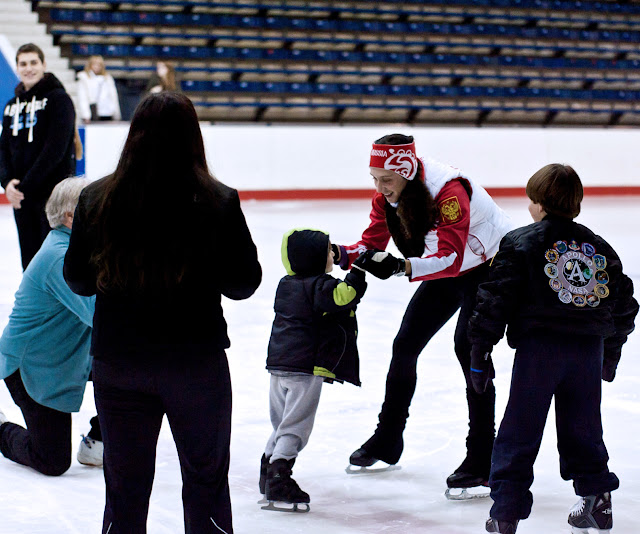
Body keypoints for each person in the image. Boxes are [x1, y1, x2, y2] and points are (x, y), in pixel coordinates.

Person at [63, 92, 262, 534]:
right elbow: (244, 283)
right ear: (193, 137)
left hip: (120, 363)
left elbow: (76, 279)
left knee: (125, 489)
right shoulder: (218, 200)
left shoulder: (96, 198)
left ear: (134, 136)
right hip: (194, 364)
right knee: (205, 481)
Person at [333, 133, 511, 498]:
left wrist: (401, 267)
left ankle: (483, 458)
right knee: (406, 343)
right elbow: (370, 245)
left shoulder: (449, 193)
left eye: (387, 180)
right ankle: (388, 438)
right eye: (375, 179)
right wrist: (340, 254)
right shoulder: (389, 193)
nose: (381, 188)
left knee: (468, 348)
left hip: (488, 265)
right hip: (452, 268)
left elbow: (452, 256)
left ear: (406, 172)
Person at [467, 164, 638, 534]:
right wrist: (610, 352)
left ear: (537, 202)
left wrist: (479, 351)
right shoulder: (598, 247)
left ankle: (506, 513)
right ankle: (597, 501)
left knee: (519, 429)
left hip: (539, 351)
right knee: (584, 428)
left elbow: (495, 300)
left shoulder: (520, 242)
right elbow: (624, 305)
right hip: (586, 352)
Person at [0, 177, 103, 476]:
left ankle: (99, 437)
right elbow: (100, 315)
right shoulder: (60, 257)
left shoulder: (78, 247)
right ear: (72, 217)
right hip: (31, 366)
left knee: (133, 365)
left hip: (65, 356)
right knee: (51, 460)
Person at [261, 228, 367, 511]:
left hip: (279, 365)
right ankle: (280, 477)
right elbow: (344, 296)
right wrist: (358, 274)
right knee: (296, 425)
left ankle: (267, 469)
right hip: (304, 367)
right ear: (316, 258)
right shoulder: (319, 286)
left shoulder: (286, 283)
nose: (334, 254)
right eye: (329, 250)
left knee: (282, 421)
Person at [0, 43, 76, 270]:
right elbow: (2, 149)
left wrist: (23, 186)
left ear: (44, 64)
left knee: (54, 262)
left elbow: (55, 149)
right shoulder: (11, 106)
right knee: (30, 263)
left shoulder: (59, 99)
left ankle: (58, 306)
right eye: (23, 64)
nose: (29, 68)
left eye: (34, 62)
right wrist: (7, 183)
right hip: (22, 199)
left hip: (53, 198)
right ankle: (35, 305)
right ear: (17, 68)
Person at [76, 55, 121, 123]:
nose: (97, 67)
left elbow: (113, 96)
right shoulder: (84, 78)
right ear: (90, 65)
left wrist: (116, 113)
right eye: (94, 64)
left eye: (99, 65)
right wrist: (86, 115)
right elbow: (83, 98)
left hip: (107, 112)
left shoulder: (107, 78)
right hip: (93, 113)